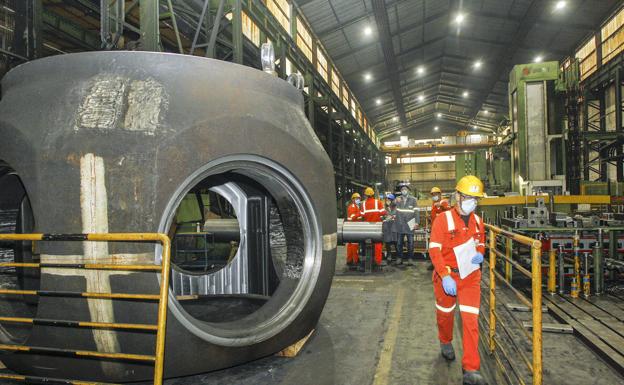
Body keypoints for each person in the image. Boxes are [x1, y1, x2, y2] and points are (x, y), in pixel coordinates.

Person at [428, 175, 487, 385]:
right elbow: (434, 250)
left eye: (476, 198)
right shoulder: (442, 220)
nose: (473, 202)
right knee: (445, 314)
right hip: (448, 276)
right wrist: (444, 275)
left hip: (471, 276)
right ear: (458, 196)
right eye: (469, 197)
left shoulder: (478, 221)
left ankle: (471, 369)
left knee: (471, 321)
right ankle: (445, 341)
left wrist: (480, 253)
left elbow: (481, 242)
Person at [394, 183, 419, 266]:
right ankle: (399, 258)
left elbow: (416, 212)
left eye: (405, 189)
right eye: (402, 190)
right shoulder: (398, 199)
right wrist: (394, 201)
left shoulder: (413, 200)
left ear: (408, 191)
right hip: (400, 223)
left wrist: (417, 222)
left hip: (410, 223)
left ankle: (410, 258)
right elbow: (391, 206)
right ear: (401, 191)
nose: (404, 191)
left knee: (410, 243)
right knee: (399, 243)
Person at [361, 187, 386, 267]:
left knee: (367, 244)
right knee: (378, 244)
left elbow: (362, 215)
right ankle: (378, 261)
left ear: (366, 195)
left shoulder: (363, 204)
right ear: (373, 194)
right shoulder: (378, 202)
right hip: (377, 227)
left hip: (367, 227)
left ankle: (368, 260)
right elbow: (383, 213)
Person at [346, 192, 363, 268]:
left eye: (359, 199)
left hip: (352, 227)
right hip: (353, 227)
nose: (358, 200)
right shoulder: (353, 206)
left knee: (350, 245)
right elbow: (353, 217)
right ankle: (355, 261)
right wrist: (361, 214)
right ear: (353, 199)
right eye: (356, 199)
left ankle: (349, 260)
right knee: (354, 245)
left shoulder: (356, 206)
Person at [382, 193, 397, 263]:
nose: (387, 200)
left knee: (396, 242)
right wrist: (384, 217)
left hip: (394, 226)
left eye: (389, 199)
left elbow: (398, 215)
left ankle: (398, 256)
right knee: (387, 242)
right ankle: (389, 255)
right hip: (387, 227)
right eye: (386, 199)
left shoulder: (396, 207)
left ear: (392, 200)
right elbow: (382, 216)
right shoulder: (384, 207)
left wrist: (393, 216)